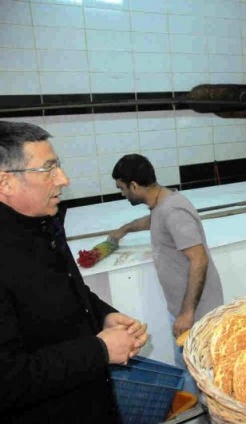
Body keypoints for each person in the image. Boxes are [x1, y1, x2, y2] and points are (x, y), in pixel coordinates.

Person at [0, 121, 148, 423]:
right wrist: (100, 350)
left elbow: (69, 291)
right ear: (5, 183)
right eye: (48, 169)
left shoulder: (45, 223)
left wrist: (103, 314)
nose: (64, 179)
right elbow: (8, 380)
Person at [107, 154, 224, 396]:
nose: (123, 194)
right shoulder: (162, 204)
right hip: (185, 309)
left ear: (134, 186)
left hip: (196, 311)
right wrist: (125, 229)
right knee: (187, 367)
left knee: (201, 371)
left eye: (122, 188)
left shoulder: (173, 211)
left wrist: (187, 312)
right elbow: (154, 220)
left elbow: (199, 259)